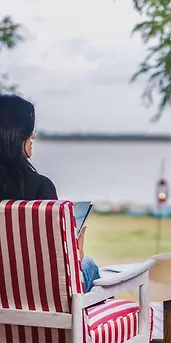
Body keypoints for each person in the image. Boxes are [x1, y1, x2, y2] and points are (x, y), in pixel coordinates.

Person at [0, 94, 99, 291]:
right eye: (30, 130)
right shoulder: (40, 187)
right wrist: (76, 254)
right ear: (16, 135)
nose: (33, 136)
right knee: (91, 266)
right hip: (35, 295)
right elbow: (56, 265)